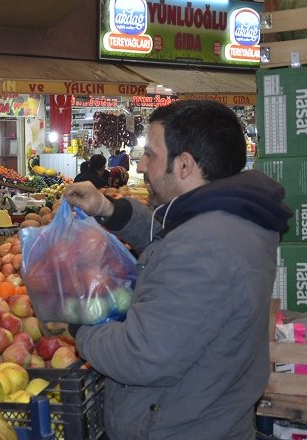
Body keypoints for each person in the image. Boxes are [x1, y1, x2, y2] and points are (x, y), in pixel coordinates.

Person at [62, 100, 292, 439]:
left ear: (184, 165)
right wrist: (110, 209)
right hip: (213, 415)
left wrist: (80, 326)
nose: (140, 166)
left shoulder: (203, 248)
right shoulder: (235, 217)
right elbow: (174, 235)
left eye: (151, 155)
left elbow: (139, 355)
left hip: (180, 426)